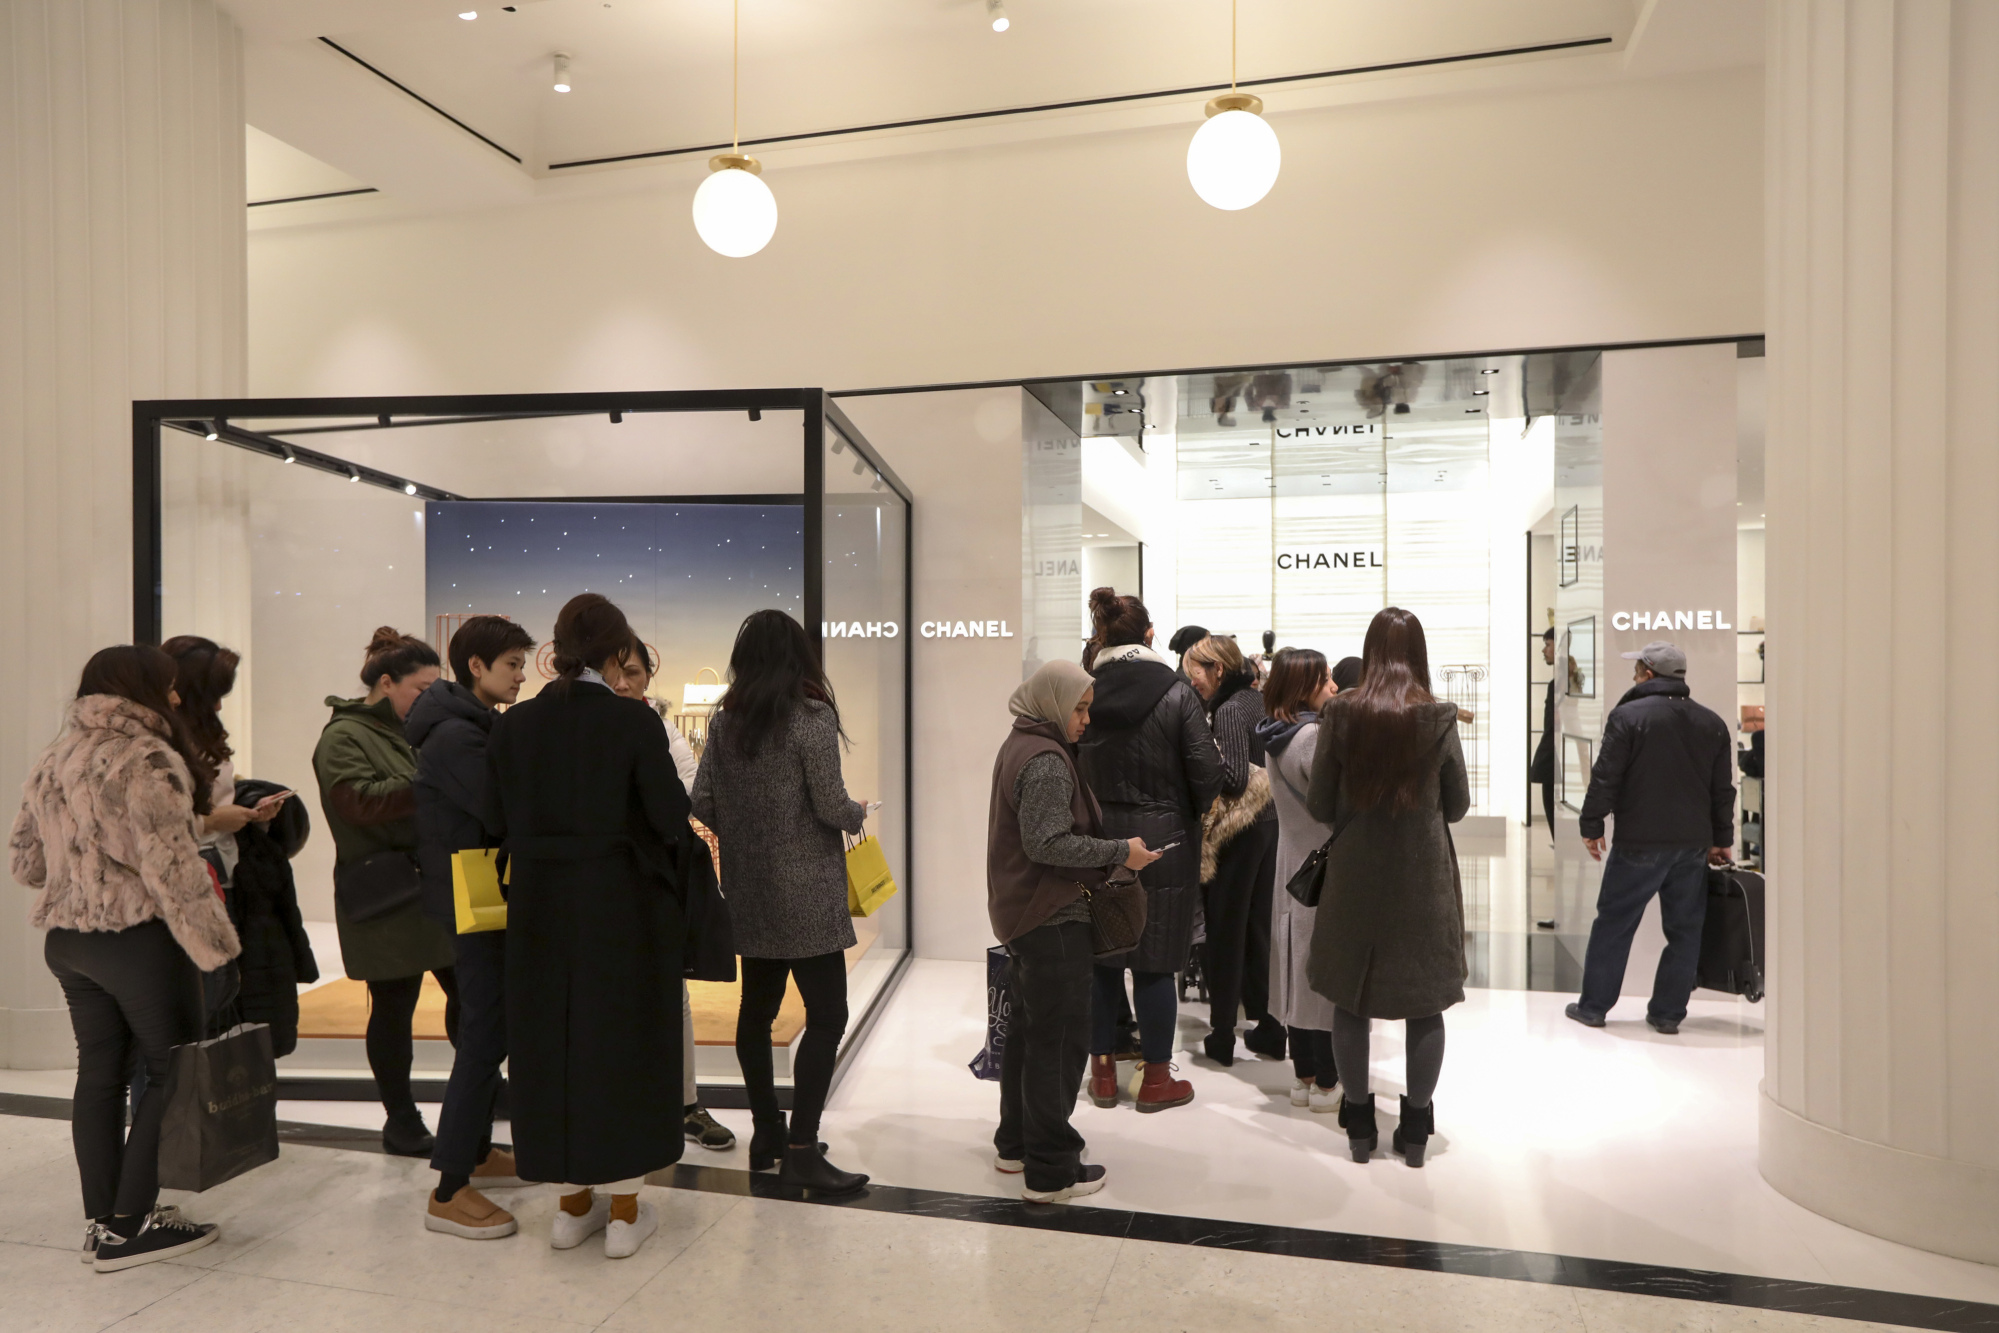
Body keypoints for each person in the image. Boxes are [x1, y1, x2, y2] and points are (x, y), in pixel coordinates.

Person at [10, 645, 240, 1270]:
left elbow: (26, 863)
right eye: (166, 688)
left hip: (70, 940)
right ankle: (131, 1226)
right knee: (173, 1073)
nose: (174, 698)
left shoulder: (55, 756)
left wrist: (82, 866)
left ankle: (103, 1222)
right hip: (137, 938)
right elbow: (172, 866)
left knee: (101, 1076)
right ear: (138, 689)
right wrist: (216, 949)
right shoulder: (145, 757)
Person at [486, 593, 690, 1257]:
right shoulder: (633, 724)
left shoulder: (514, 727)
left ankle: (572, 1205)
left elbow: (497, 816)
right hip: (620, 906)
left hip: (538, 907)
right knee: (621, 1045)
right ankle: (626, 1211)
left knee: (550, 1049)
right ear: (611, 653)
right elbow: (667, 816)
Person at [691, 609, 871, 1194]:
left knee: (757, 1013)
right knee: (827, 1017)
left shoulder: (726, 722)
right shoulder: (811, 716)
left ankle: (767, 1133)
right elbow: (830, 804)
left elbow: (704, 806)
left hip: (749, 890)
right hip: (810, 895)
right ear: (799, 656)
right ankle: (801, 1146)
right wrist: (858, 813)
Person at [987, 661, 1159, 1203]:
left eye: (1088, 708)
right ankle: (1051, 1169)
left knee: (1030, 1035)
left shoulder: (1022, 742)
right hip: (1051, 915)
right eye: (1079, 708)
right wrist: (1120, 853)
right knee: (1057, 1042)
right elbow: (1048, 845)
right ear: (1054, 703)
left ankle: (1016, 1144)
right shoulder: (1046, 760)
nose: (1086, 719)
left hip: (1026, 913)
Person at [1306, 608, 1468, 1168]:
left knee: (1351, 998)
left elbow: (1321, 803)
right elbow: (1460, 805)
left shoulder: (1340, 714)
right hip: (1423, 879)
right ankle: (1417, 1127)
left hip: (1355, 878)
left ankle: (1357, 1121)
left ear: (1370, 651)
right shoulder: (1440, 716)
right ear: (1418, 653)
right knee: (1426, 1004)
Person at [407, 614, 535, 1240]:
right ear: (477, 666)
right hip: (477, 904)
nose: (519, 676)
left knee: (488, 1029)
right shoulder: (456, 737)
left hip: (482, 900)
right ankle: (450, 1186)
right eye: (511, 664)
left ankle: (480, 1153)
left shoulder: (474, 726)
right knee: (485, 1035)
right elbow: (504, 808)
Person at [313, 628, 459, 1156]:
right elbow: (357, 804)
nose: (429, 699)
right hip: (387, 896)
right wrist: (434, 783)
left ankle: (483, 1091)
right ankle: (401, 1119)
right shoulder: (343, 736)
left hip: (431, 887)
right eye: (421, 689)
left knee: (470, 995)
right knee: (395, 1009)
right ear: (385, 682)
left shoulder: (408, 729)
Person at [1076, 588, 1222, 1112]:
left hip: (1096, 841)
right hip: (1165, 843)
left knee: (1103, 959)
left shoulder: (1083, 691)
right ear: (1149, 635)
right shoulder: (1177, 693)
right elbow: (1208, 776)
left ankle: (1103, 1077)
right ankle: (1157, 1082)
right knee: (1157, 963)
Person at [1566, 640, 1736, 1036]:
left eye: (1636, 668)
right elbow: (1721, 789)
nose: (1633, 675)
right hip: (1691, 846)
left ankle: (1593, 1007)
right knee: (1684, 931)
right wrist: (1721, 838)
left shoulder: (1628, 717)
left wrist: (1591, 826)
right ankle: (1667, 1014)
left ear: (1646, 672)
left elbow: (1606, 776)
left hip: (1639, 843)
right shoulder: (1711, 723)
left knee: (1614, 924)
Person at [607, 633, 735, 1154]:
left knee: (672, 991)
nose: (622, 682)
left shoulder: (659, 726)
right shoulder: (577, 729)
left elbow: (689, 785)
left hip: (655, 874)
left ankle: (684, 1104)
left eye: (632, 673)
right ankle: (613, 1102)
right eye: (612, 672)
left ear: (647, 678)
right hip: (597, 881)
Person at [1183, 633, 1283, 1066]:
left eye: (1196, 675)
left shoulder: (1226, 710)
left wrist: (1200, 766)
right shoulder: (1257, 700)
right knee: (1260, 929)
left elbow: (1236, 779)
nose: (1193, 684)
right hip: (1270, 826)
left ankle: (1222, 1033)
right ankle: (1270, 1027)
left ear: (1217, 670)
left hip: (1237, 832)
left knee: (1225, 930)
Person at [1254, 647, 1341, 1112]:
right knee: (1318, 972)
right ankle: (1327, 1081)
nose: (1334, 686)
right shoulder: (1309, 737)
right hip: (1321, 866)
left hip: (1294, 861)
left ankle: (1305, 1075)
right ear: (1305, 686)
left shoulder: (1277, 733)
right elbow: (1334, 802)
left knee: (1293, 966)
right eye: (1325, 678)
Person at [1530, 627, 1557, 835]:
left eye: (1548, 644)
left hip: (1557, 760)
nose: (1543, 650)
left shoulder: (1560, 685)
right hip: (1553, 760)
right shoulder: (1556, 684)